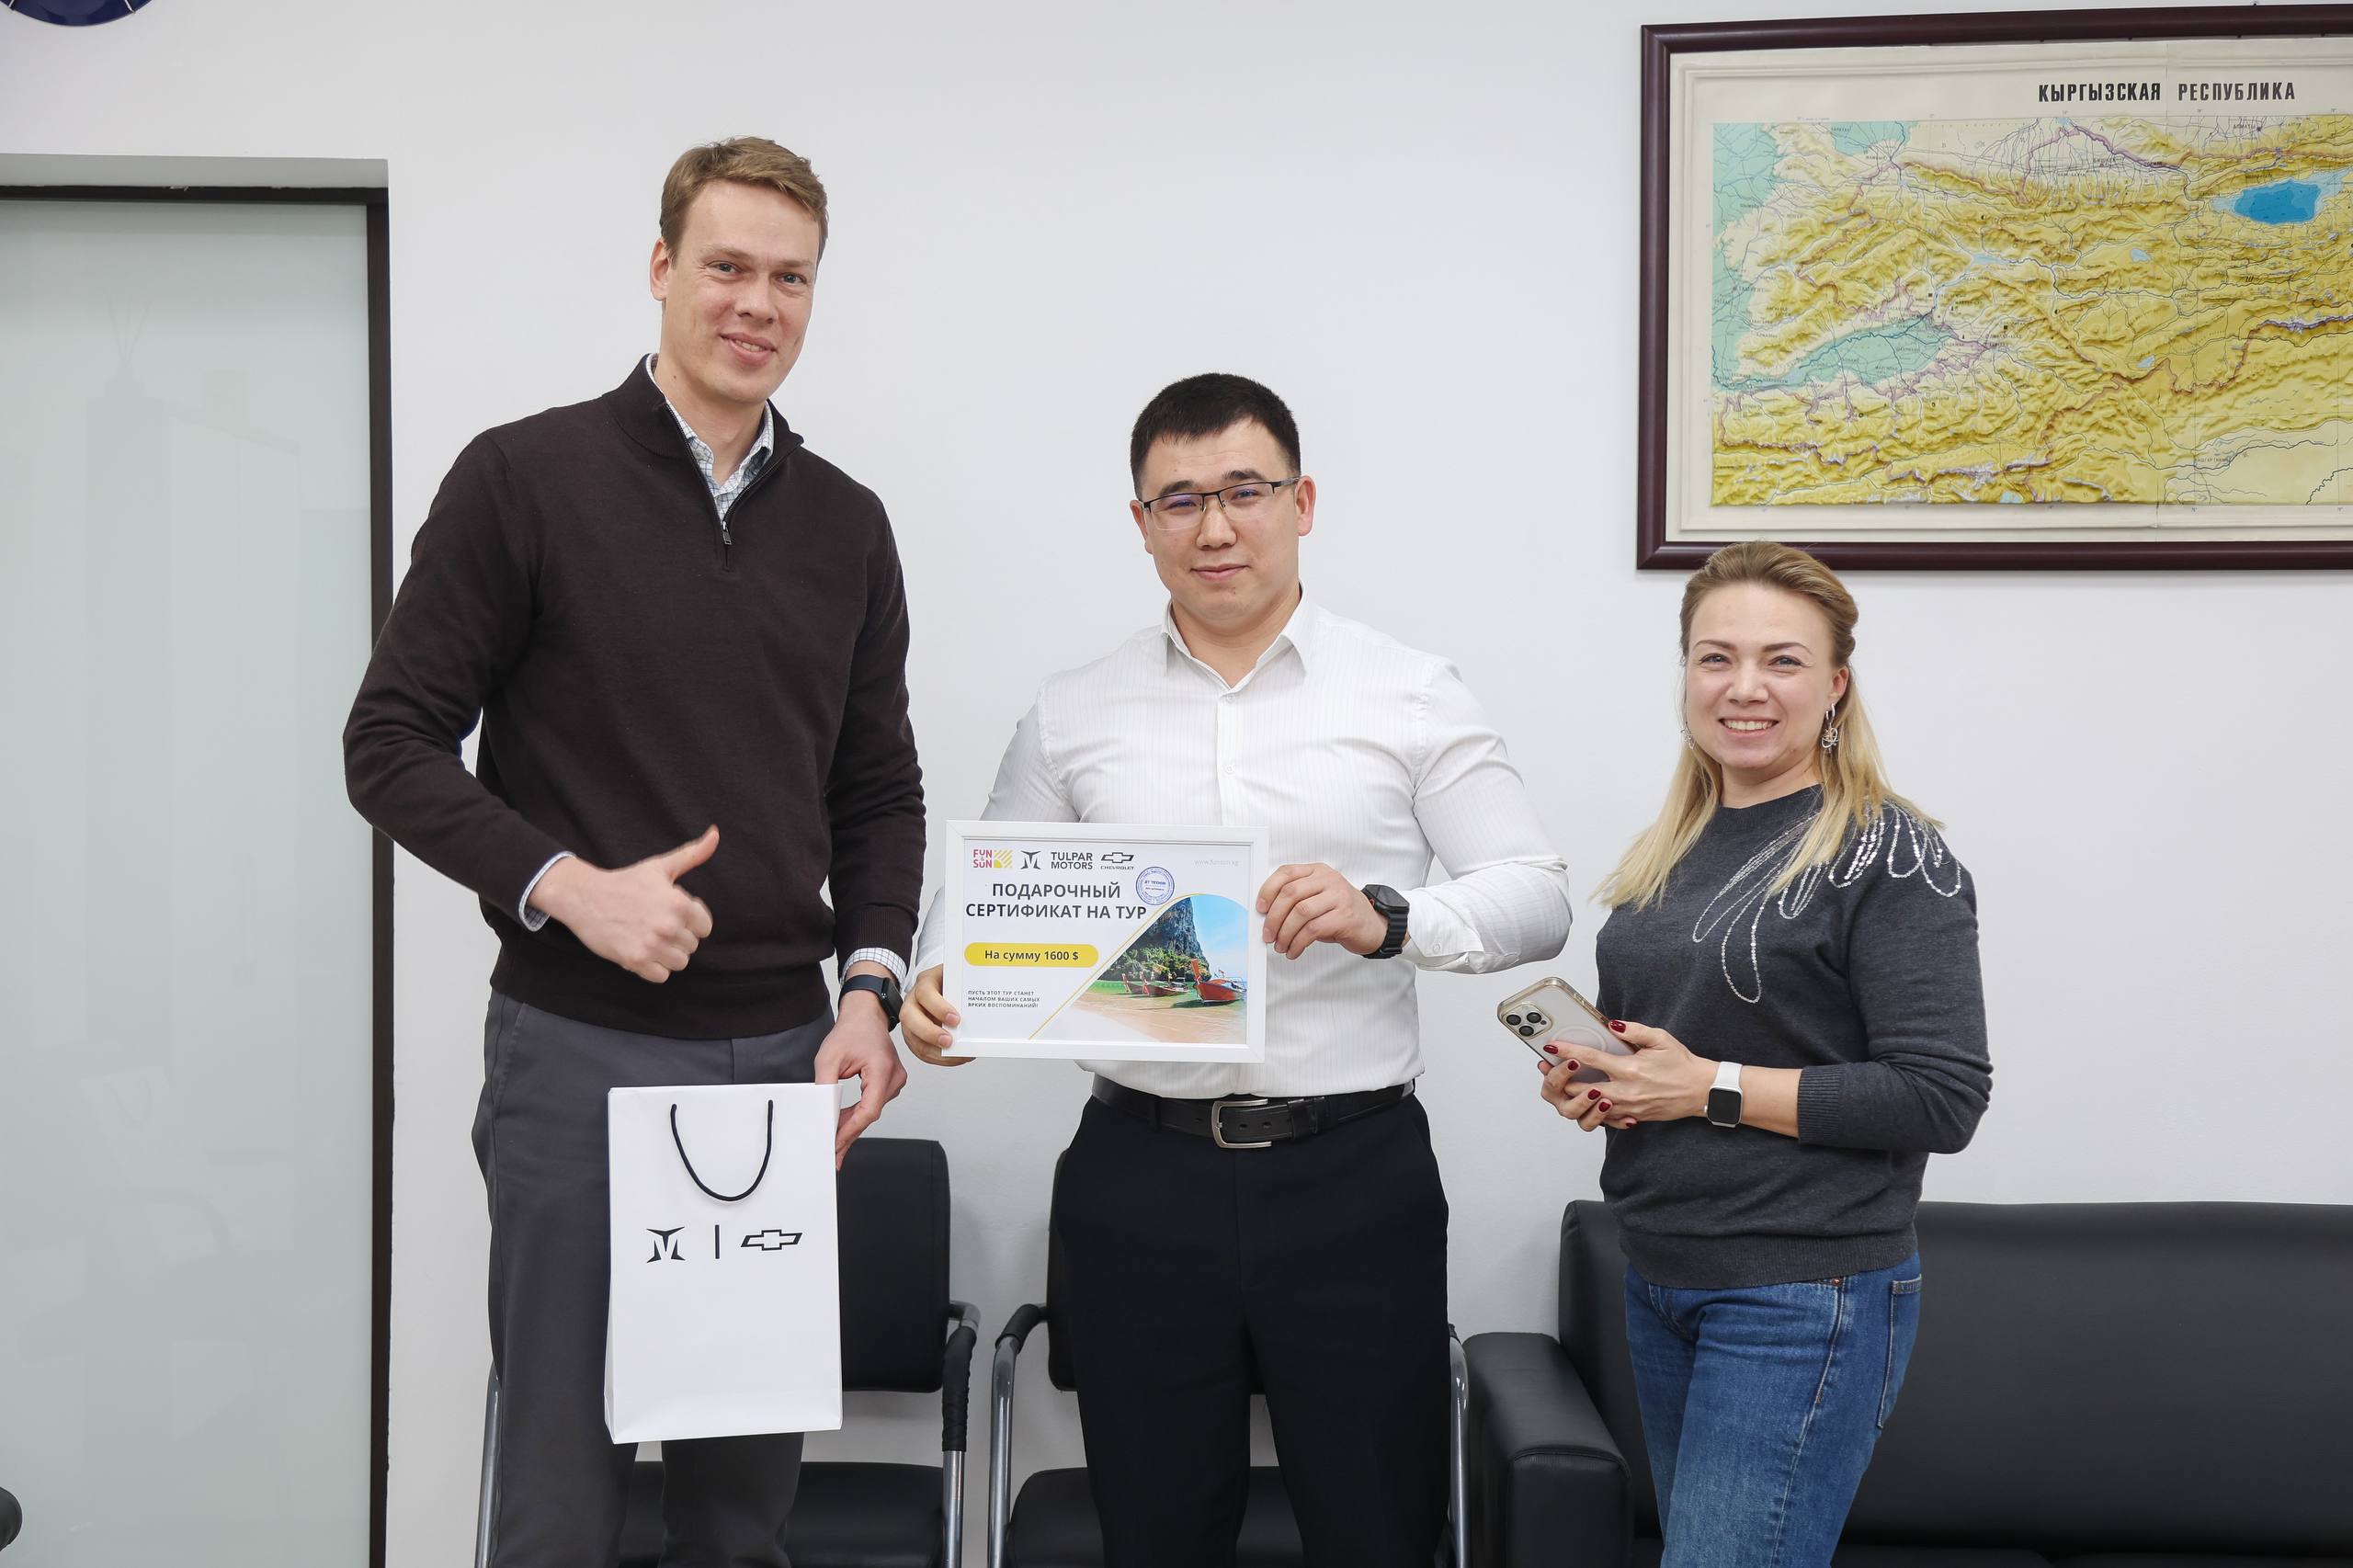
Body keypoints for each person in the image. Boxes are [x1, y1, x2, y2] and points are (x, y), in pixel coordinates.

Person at [343, 138, 924, 1568]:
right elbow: (390, 742)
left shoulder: (848, 525)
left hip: (785, 1061)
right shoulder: (523, 479)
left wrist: (868, 990)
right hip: (576, 1053)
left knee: (742, 1510)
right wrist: (567, 887)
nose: (757, 303)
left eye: (791, 278)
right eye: (727, 266)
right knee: (561, 1494)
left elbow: (877, 790)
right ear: (662, 268)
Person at [901, 374, 1575, 1566]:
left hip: (1351, 1175)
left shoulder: (1409, 690)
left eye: (1245, 491)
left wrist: (1386, 916)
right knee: (1153, 1531)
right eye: (1180, 499)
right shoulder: (1073, 710)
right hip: (1138, 1177)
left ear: (1302, 502)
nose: (1214, 526)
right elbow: (981, 897)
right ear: (1141, 521)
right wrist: (937, 980)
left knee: (1377, 1527)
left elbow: (1536, 894)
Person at [1537, 540, 1990, 1567]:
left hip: (1800, 1293)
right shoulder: (1674, 848)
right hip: (1662, 1273)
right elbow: (1675, 1054)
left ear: (1836, 686)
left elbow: (1941, 1096)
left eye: (1783, 660)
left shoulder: (1888, 852)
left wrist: (1707, 1087)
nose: (1744, 687)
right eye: (1716, 657)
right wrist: (1609, 1084)